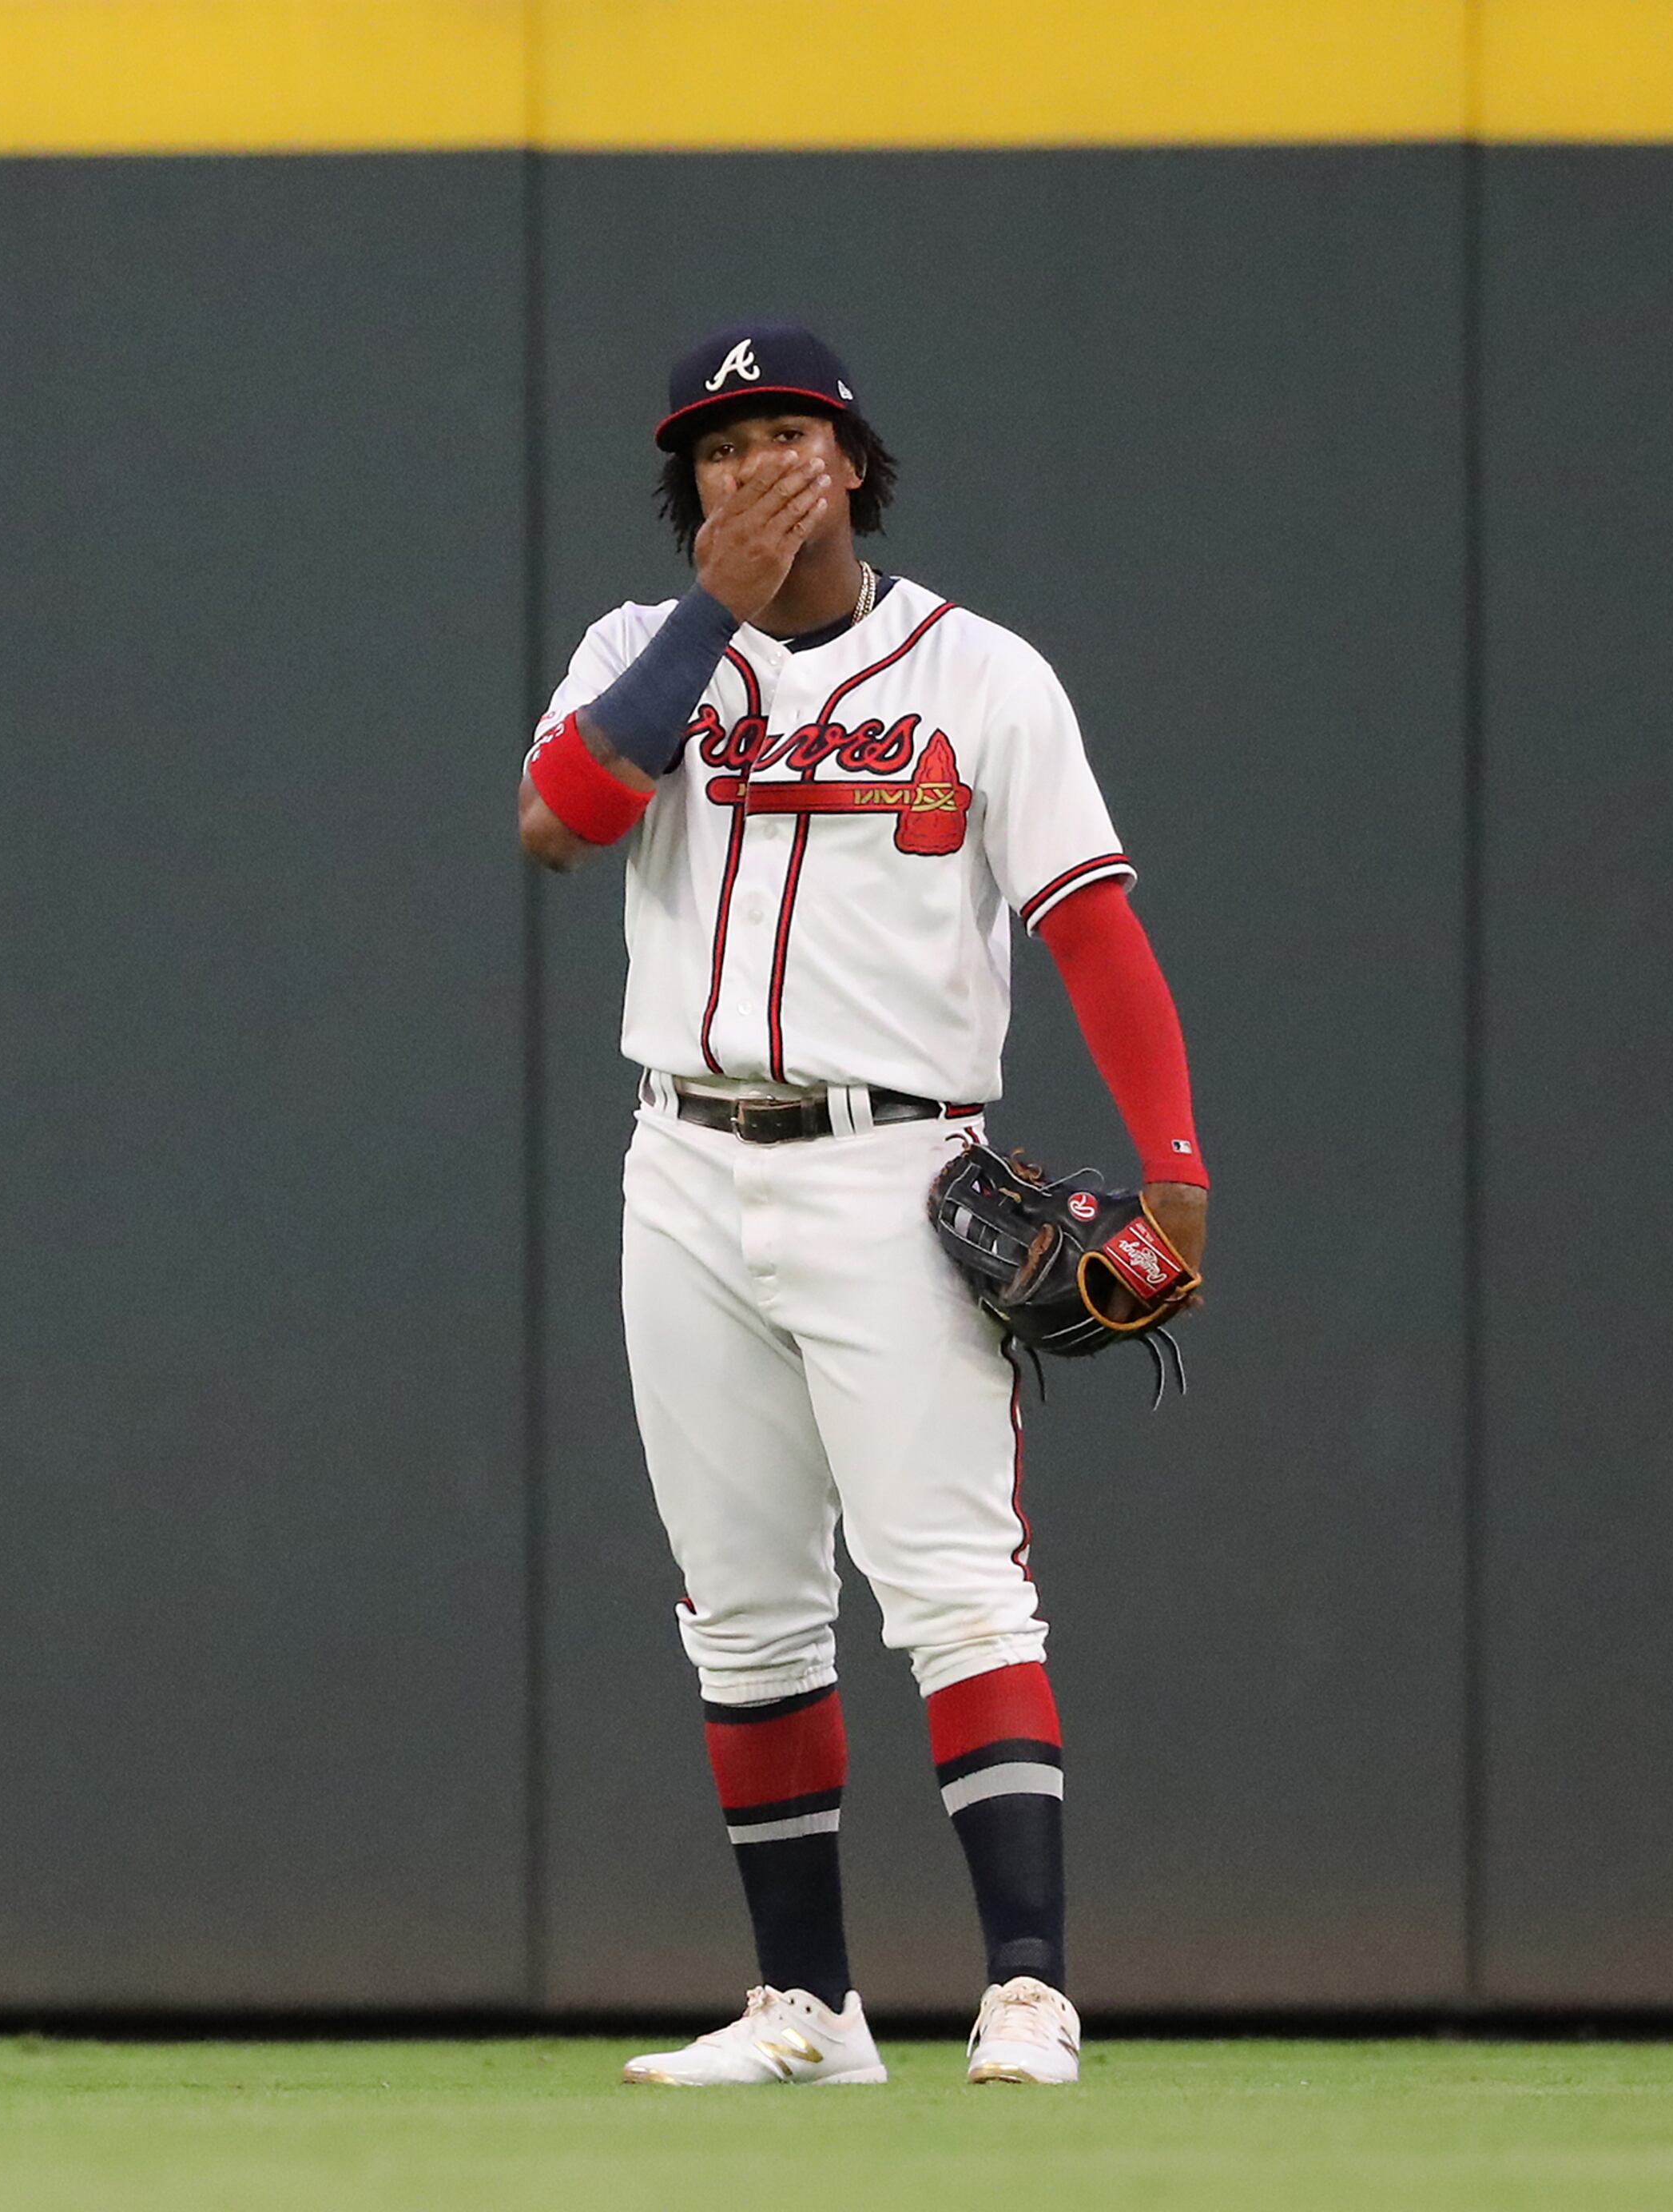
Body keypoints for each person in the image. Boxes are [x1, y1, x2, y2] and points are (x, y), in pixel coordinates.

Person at [518, 322, 1209, 2087]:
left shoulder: (982, 676)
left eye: (785, 429)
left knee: (959, 1592)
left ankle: (1031, 1987)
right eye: (718, 439)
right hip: (679, 1161)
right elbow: (560, 817)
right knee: (741, 1608)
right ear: (688, 483)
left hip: (898, 1169)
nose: (751, 461)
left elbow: (1092, 926)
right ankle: (808, 2008)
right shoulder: (634, 653)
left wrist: (1176, 1163)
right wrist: (706, 618)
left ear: (852, 457)